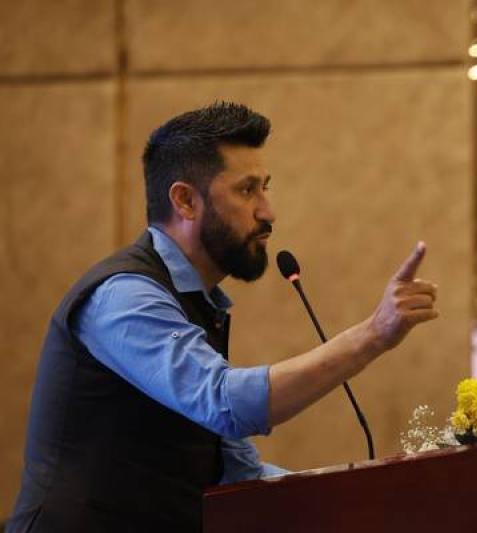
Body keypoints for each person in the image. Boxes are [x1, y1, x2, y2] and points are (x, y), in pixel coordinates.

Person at [8, 102, 438, 532]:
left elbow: (239, 474)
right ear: (185, 201)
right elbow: (225, 404)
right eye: (247, 190)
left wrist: (368, 502)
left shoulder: (197, 304)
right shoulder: (124, 297)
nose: (268, 212)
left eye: (265, 187)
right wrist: (372, 335)